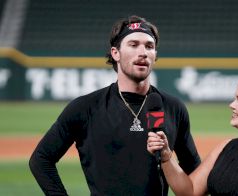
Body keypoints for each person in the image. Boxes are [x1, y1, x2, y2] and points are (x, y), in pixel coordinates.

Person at [29, 15, 201, 196]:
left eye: (149, 46)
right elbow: (41, 160)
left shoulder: (174, 108)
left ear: (155, 56)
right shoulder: (85, 107)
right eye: (133, 45)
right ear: (115, 53)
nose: (142, 52)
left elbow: (195, 176)